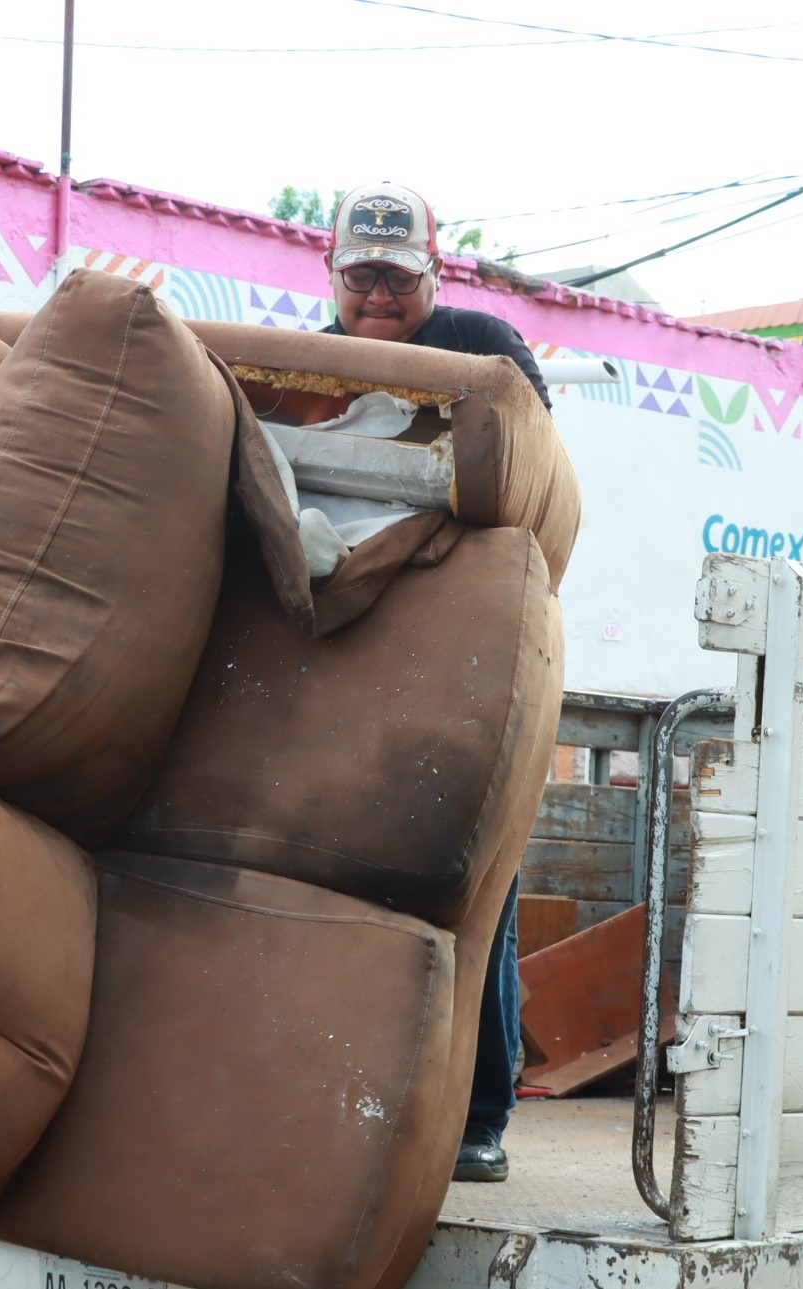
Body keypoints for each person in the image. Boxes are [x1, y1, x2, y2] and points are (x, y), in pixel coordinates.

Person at [322, 182, 545, 1184]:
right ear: (332, 275)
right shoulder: (303, 361)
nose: (378, 297)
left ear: (432, 276)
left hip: (463, 659)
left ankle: (478, 1117)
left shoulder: (480, 345)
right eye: (361, 278)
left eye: (396, 279)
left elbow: (524, 461)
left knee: (470, 884)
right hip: (351, 654)